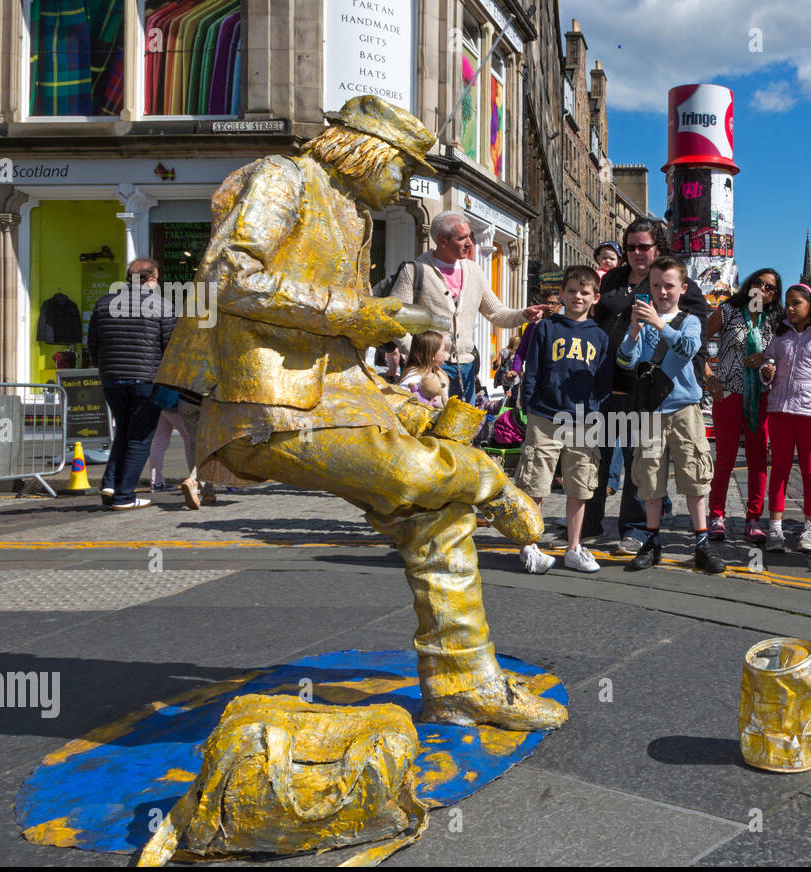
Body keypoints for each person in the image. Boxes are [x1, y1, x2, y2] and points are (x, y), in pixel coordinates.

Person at [154, 95, 565, 732]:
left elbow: (340, 358)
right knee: (417, 473)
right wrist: (359, 315)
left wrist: (400, 398)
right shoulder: (282, 177)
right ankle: (490, 482)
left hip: (330, 399)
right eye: (401, 168)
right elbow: (227, 278)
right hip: (268, 406)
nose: (404, 184)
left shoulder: (352, 216)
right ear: (366, 150)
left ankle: (463, 685)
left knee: (438, 517)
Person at [586, 217, 710, 553]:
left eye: (644, 247)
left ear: (658, 248)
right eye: (631, 247)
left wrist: (685, 375)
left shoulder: (676, 283)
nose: (637, 253)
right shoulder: (613, 278)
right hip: (606, 380)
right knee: (597, 453)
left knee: (637, 460)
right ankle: (589, 523)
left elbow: (694, 333)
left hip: (649, 389)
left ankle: (637, 528)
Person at [616, 257, 724, 574]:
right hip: (650, 411)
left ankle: (701, 542)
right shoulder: (643, 320)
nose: (662, 292)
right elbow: (625, 362)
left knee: (694, 472)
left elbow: (689, 348)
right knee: (649, 476)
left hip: (684, 408)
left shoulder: (690, 319)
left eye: (669, 285)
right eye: (656, 286)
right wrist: (635, 332)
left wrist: (660, 325)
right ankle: (652, 542)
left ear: (683, 288)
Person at [389, 210, 550, 404]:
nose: (470, 243)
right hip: (428, 369)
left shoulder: (474, 271)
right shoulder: (414, 270)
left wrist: (524, 314)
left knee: (463, 429)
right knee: (428, 426)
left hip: (466, 367)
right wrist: (420, 355)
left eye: (470, 237)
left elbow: (496, 313)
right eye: (462, 238)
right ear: (442, 241)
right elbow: (395, 319)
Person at [514, 265, 613, 574]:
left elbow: (603, 380)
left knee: (580, 485)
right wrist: (528, 404)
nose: (577, 297)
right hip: (545, 413)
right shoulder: (546, 328)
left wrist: (596, 410)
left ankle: (574, 547)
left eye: (584, 292)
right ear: (562, 294)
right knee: (535, 482)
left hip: (583, 419)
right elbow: (533, 369)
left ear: (595, 297)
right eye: (571, 291)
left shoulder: (599, 335)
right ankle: (530, 544)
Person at [758, 284, 811, 552]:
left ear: (810, 304)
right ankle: (775, 528)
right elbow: (768, 361)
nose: (790, 308)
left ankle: (810, 528)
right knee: (779, 471)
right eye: (788, 303)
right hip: (781, 411)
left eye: (796, 303)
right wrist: (766, 371)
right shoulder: (780, 333)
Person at [88, 257, 177, 510]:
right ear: (151, 279)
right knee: (139, 439)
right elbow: (170, 348)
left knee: (123, 432)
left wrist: (102, 365)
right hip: (146, 380)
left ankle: (110, 484)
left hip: (111, 379)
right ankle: (125, 496)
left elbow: (93, 344)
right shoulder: (161, 305)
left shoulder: (103, 304)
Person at [708, 268, 781, 544]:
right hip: (728, 394)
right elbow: (697, 343)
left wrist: (770, 362)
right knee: (725, 458)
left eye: (770, 287)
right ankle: (716, 516)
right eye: (759, 283)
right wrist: (709, 377)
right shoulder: (728, 311)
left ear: (775, 296)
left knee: (758, 459)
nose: (763, 289)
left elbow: (782, 357)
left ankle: (753, 519)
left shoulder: (775, 321)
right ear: (749, 285)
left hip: (760, 397)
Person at [399, 331, 451, 408]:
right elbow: (401, 402)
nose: (446, 353)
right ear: (431, 354)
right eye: (443, 350)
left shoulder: (438, 372)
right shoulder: (413, 378)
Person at [146, 408, 195, 491]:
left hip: (160, 403)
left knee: (159, 441)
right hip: (175, 405)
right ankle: (195, 479)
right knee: (189, 437)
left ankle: (157, 482)